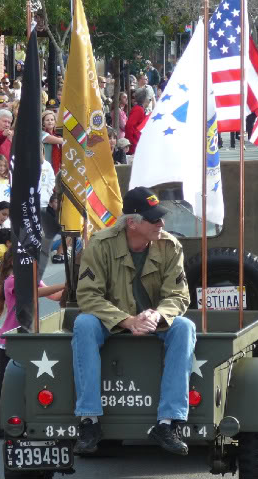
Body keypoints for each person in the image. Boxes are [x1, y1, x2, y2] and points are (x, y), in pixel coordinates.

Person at [71, 186, 195, 456]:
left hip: (153, 321)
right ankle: (89, 420)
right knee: (83, 324)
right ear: (132, 223)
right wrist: (126, 320)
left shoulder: (170, 246)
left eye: (161, 217)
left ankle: (168, 422)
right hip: (113, 321)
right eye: (154, 219)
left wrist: (157, 314)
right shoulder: (101, 244)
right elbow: (88, 296)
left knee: (185, 327)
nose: (161, 223)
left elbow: (179, 295)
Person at [0, 249, 65, 438]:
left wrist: (72, 288)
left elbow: (54, 296)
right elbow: (35, 292)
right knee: (3, 381)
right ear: (14, 262)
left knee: (26, 380)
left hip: (25, 337)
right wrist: (64, 283)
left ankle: (22, 416)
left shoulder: (31, 278)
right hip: (10, 338)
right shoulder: (12, 280)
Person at [125, 88, 150, 155]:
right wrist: (132, 142)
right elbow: (129, 126)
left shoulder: (140, 109)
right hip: (134, 145)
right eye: (149, 99)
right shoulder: (139, 110)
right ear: (145, 99)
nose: (149, 100)